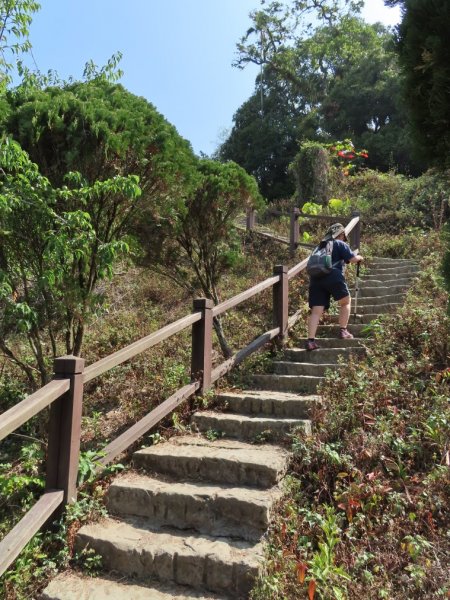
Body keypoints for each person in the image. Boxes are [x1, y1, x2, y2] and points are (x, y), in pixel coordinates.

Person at [306, 222, 363, 351]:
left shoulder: (319, 247)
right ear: (341, 234)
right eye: (343, 236)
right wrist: (359, 257)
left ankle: (310, 341)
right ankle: (343, 331)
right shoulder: (340, 243)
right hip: (333, 275)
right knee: (345, 301)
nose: (344, 238)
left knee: (316, 311)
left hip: (315, 279)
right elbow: (353, 259)